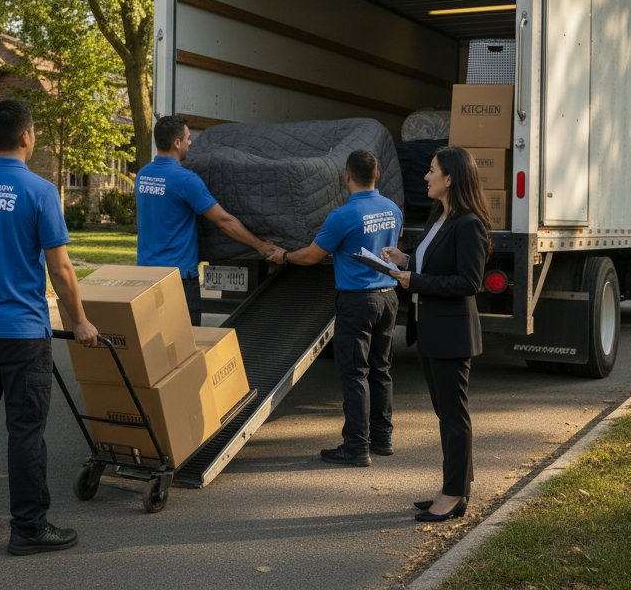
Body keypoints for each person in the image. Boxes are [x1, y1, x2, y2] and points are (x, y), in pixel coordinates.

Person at [0, 99, 100, 555]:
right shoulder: (39, 191)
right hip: (21, 331)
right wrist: (81, 321)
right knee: (25, 429)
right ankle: (30, 527)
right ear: (27, 137)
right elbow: (61, 268)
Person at [270, 149, 403, 467]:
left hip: (358, 300)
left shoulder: (342, 216)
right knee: (381, 370)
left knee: (355, 373)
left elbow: (312, 256)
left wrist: (283, 256)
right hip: (388, 298)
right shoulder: (393, 209)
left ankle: (356, 447)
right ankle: (382, 440)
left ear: (346, 177)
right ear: (377, 176)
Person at [380, 146, 491, 523]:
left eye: (431, 171)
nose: (425, 177)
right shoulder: (439, 217)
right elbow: (434, 265)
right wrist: (405, 262)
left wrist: (416, 282)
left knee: (453, 417)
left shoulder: (469, 223)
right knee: (447, 415)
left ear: (450, 178)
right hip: (430, 331)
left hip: (451, 334)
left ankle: (454, 493)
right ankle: (455, 489)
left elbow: (468, 282)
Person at [137, 115, 278, 325]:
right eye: (187, 138)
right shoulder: (186, 180)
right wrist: (259, 245)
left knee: (155, 338)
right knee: (186, 342)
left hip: (146, 274)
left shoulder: (143, 175)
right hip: (178, 277)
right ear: (176, 143)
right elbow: (223, 221)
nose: (190, 142)